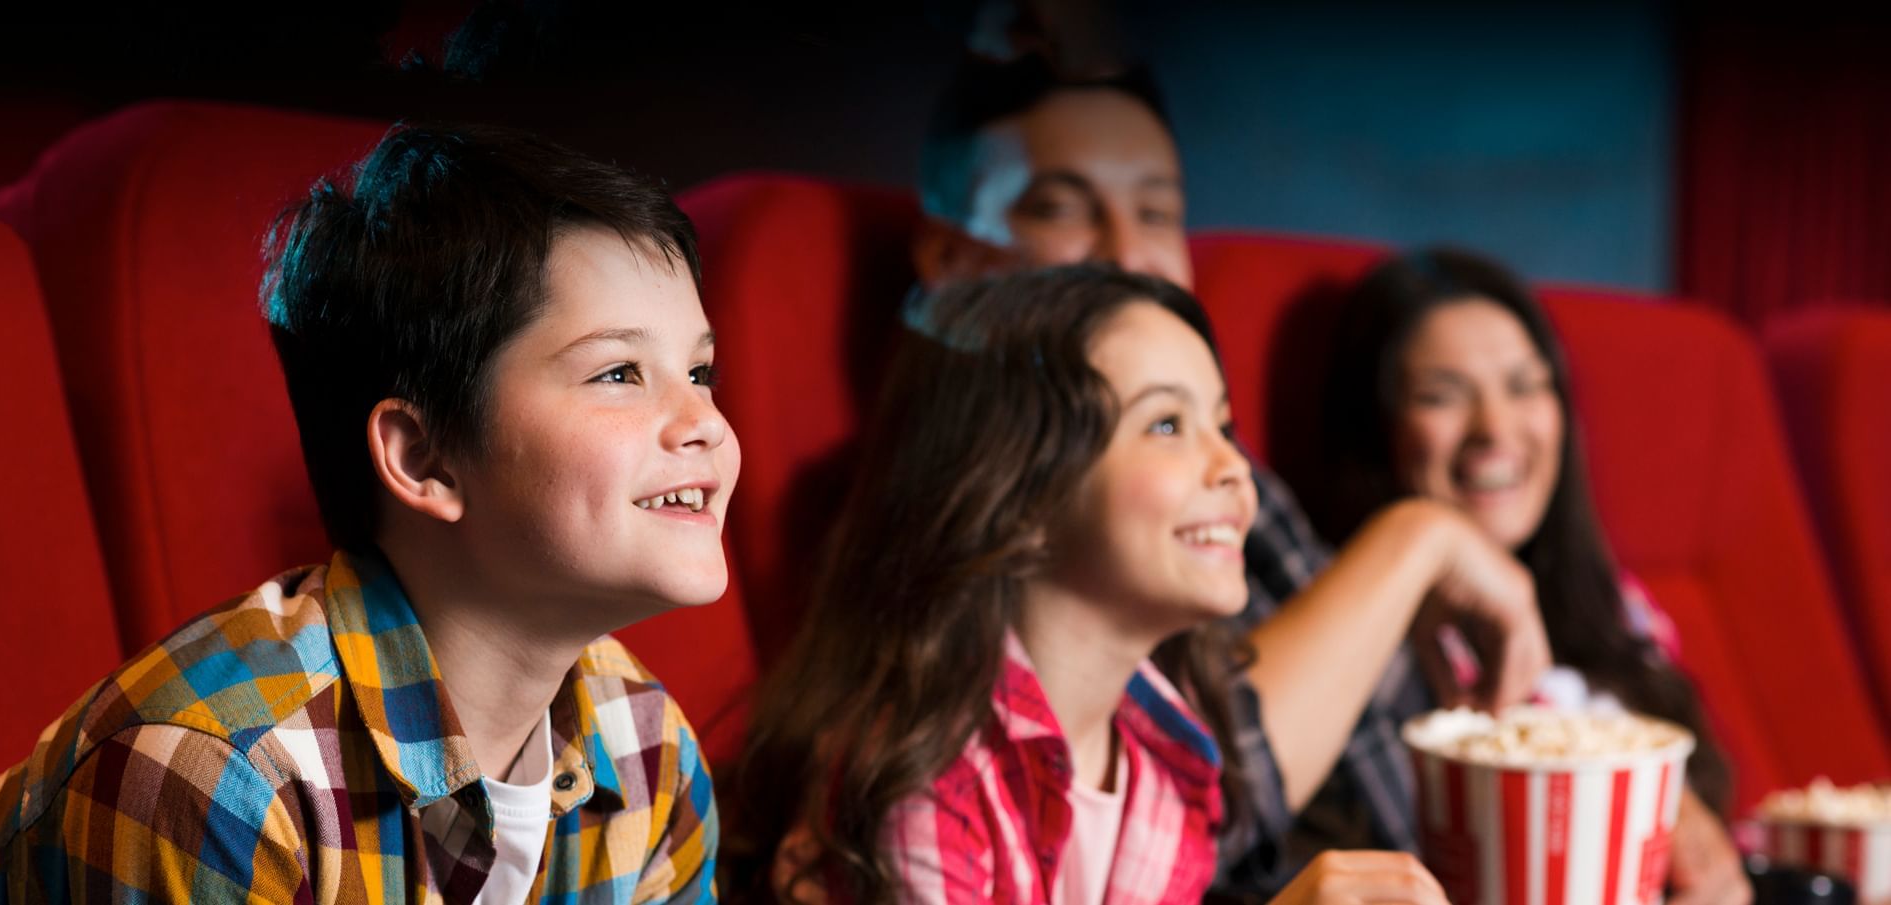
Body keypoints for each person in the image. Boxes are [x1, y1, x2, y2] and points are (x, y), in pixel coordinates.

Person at [0, 124, 733, 903]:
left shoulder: (652, 746)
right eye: (619, 371)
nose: (706, 421)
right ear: (424, 458)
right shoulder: (218, 777)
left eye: (699, 370)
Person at [907, 52, 1550, 897]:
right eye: (1062, 207)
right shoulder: (942, 516)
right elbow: (1231, 785)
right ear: (951, 256)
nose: (1127, 253)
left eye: (1156, 212)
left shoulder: (1221, 490)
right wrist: (1418, 538)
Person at [731, 265, 1449, 905]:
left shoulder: (1172, 760)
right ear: (1022, 497)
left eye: (1222, 424)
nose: (1233, 465)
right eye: (1167, 423)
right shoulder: (922, 778)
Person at [1312, 247, 1749, 905]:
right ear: (1376, 432)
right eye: (1441, 396)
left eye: (1523, 385)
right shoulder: (1352, 645)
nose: (1495, 428)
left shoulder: (1615, 606)